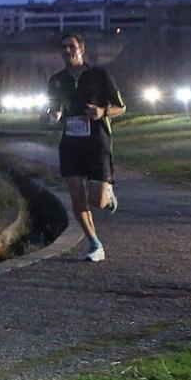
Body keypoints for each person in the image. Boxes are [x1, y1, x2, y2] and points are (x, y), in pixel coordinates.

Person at [47, 33, 126, 262]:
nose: (67, 50)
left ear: (81, 49)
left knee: (96, 201)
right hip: (71, 143)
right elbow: (53, 109)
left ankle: (108, 196)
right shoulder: (56, 80)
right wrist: (52, 116)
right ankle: (94, 244)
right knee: (76, 196)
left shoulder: (99, 75)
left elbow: (121, 107)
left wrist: (102, 112)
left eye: (71, 46)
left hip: (97, 142)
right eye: (63, 47)